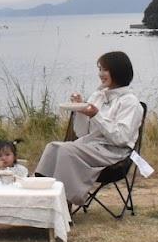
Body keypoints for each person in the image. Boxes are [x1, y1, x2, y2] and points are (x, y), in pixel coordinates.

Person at [35, 50, 143, 206]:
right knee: (52, 147)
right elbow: (82, 133)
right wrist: (80, 111)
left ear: (118, 71)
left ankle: (63, 204)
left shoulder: (130, 102)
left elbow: (121, 139)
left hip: (115, 153)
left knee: (66, 150)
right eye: (100, 69)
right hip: (91, 147)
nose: (100, 74)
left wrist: (96, 115)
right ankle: (41, 197)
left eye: (105, 69)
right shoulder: (98, 96)